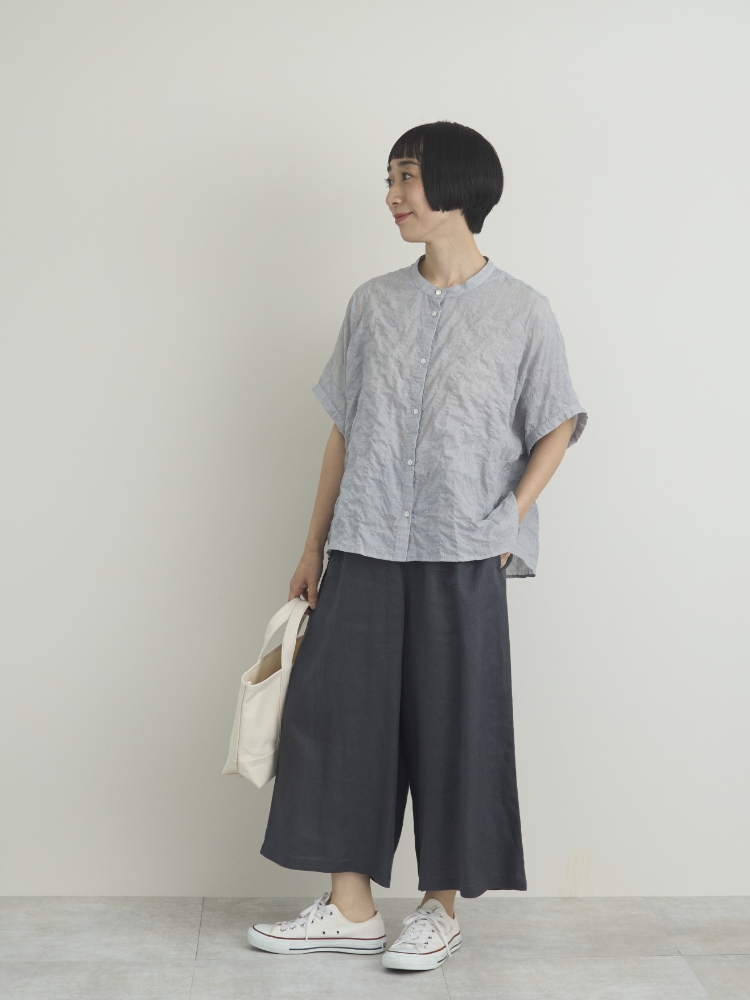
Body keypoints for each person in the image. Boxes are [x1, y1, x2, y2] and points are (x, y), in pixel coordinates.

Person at [247, 121, 588, 971]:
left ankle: (440, 909)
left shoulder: (524, 311)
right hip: (364, 541)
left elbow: (558, 423)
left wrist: (508, 518)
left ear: (457, 187)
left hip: (462, 549)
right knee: (337, 719)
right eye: (391, 178)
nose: (393, 196)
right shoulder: (372, 304)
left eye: (406, 178)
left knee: (456, 724)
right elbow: (343, 429)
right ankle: (351, 907)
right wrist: (312, 545)